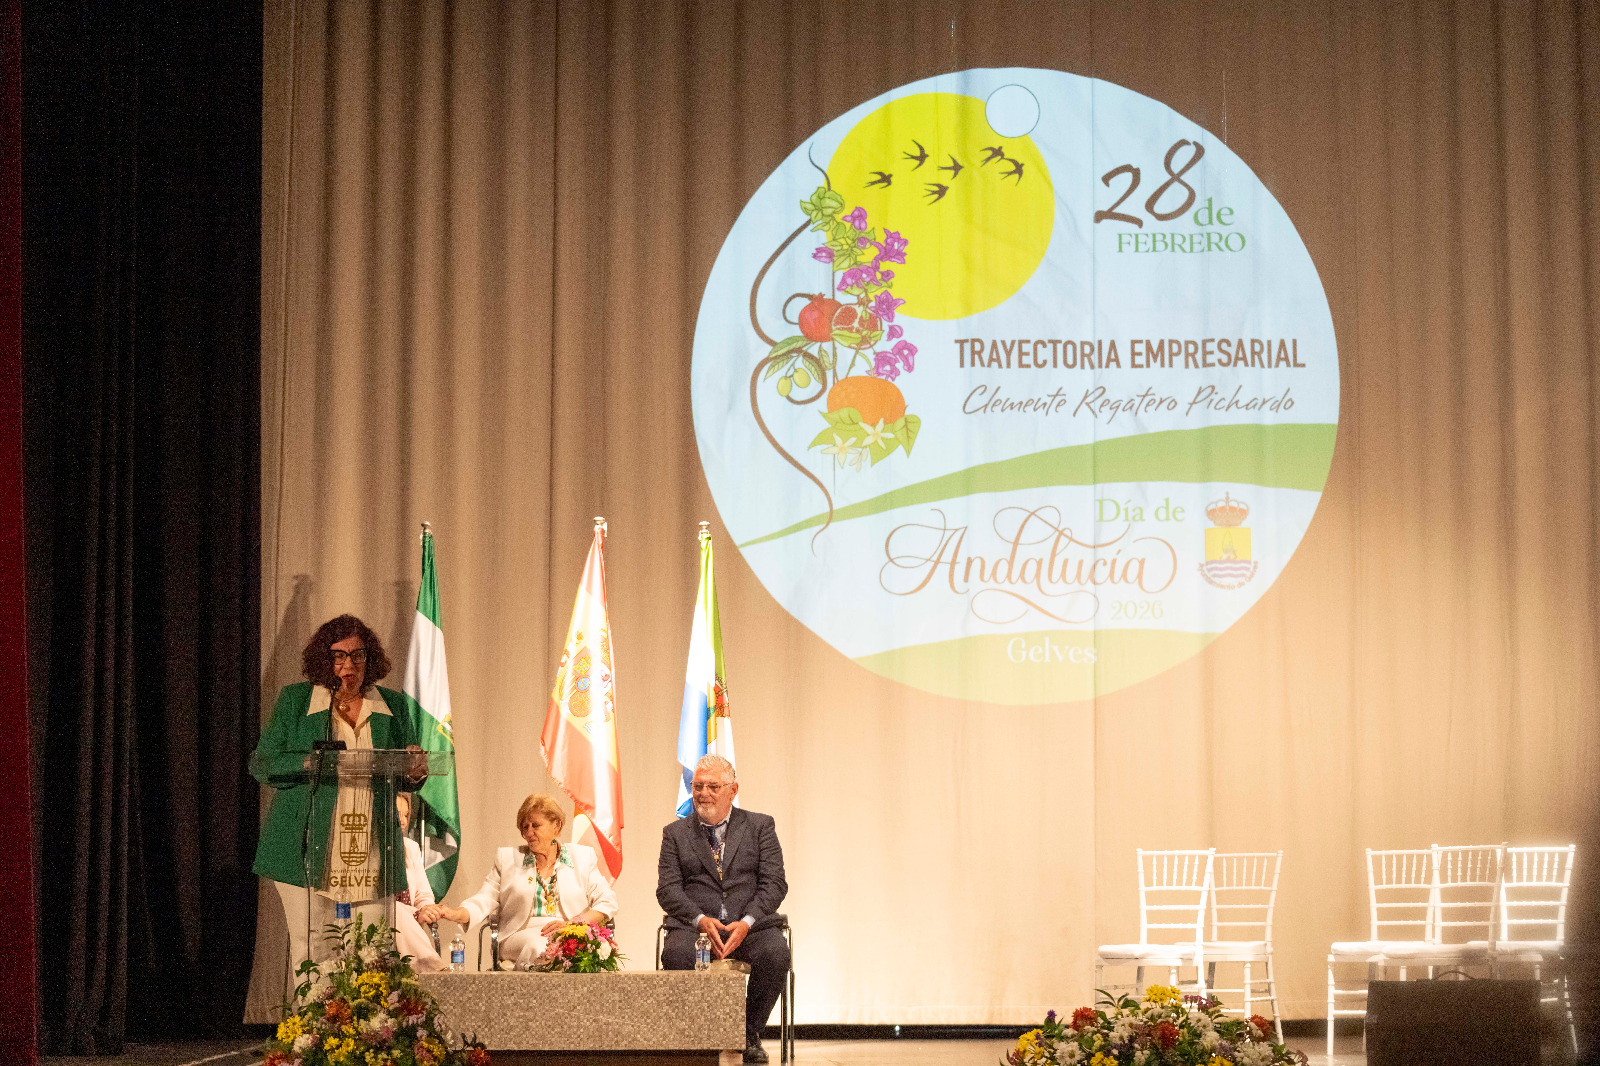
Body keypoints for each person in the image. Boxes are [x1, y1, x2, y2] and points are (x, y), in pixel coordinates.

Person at [251, 614, 425, 974]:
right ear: (323, 659)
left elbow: (405, 772)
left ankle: (369, 1014)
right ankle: (316, 1014)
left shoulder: (393, 706)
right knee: (315, 950)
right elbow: (262, 764)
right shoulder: (297, 701)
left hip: (371, 846)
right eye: (338, 656)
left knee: (374, 951)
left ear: (369, 658)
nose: (349, 665)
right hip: (308, 847)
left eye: (358, 655)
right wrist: (311, 762)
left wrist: (415, 770)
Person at [657, 754, 789, 1065]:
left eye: (713, 786)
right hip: (696, 927)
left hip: (750, 927)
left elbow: (774, 884)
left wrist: (747, 921)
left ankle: (747, 1033)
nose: (703, 793)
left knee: (775, 954)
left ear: (733, 790)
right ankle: (698, 1037)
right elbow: (668, 890)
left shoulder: (760, 826)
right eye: (697, 786)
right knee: (675, 956)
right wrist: (700, 919)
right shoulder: (675, 833)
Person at [418, 793, 616, 968]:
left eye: (535, 825)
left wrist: (573, 924)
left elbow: (607, 901)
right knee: (540, 947)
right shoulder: (508, 859)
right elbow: (484, 899)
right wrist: (455, 913)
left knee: (572, 948)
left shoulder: (582, 857)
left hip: (568, 933)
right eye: (524, 827)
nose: (528, 833)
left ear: (556, 825)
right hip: (519, 934)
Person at [392, 792, 446, 972]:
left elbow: (423, 893)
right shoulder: (370, 848)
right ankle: (433, 969)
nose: (403, 821)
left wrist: (425, 909)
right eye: (397, 813)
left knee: (401, 912)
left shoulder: (411, 847)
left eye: (406, 815)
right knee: (395, 909)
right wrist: (415, 914)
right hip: (380, 920)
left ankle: (429, 970)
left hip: (408, 921)